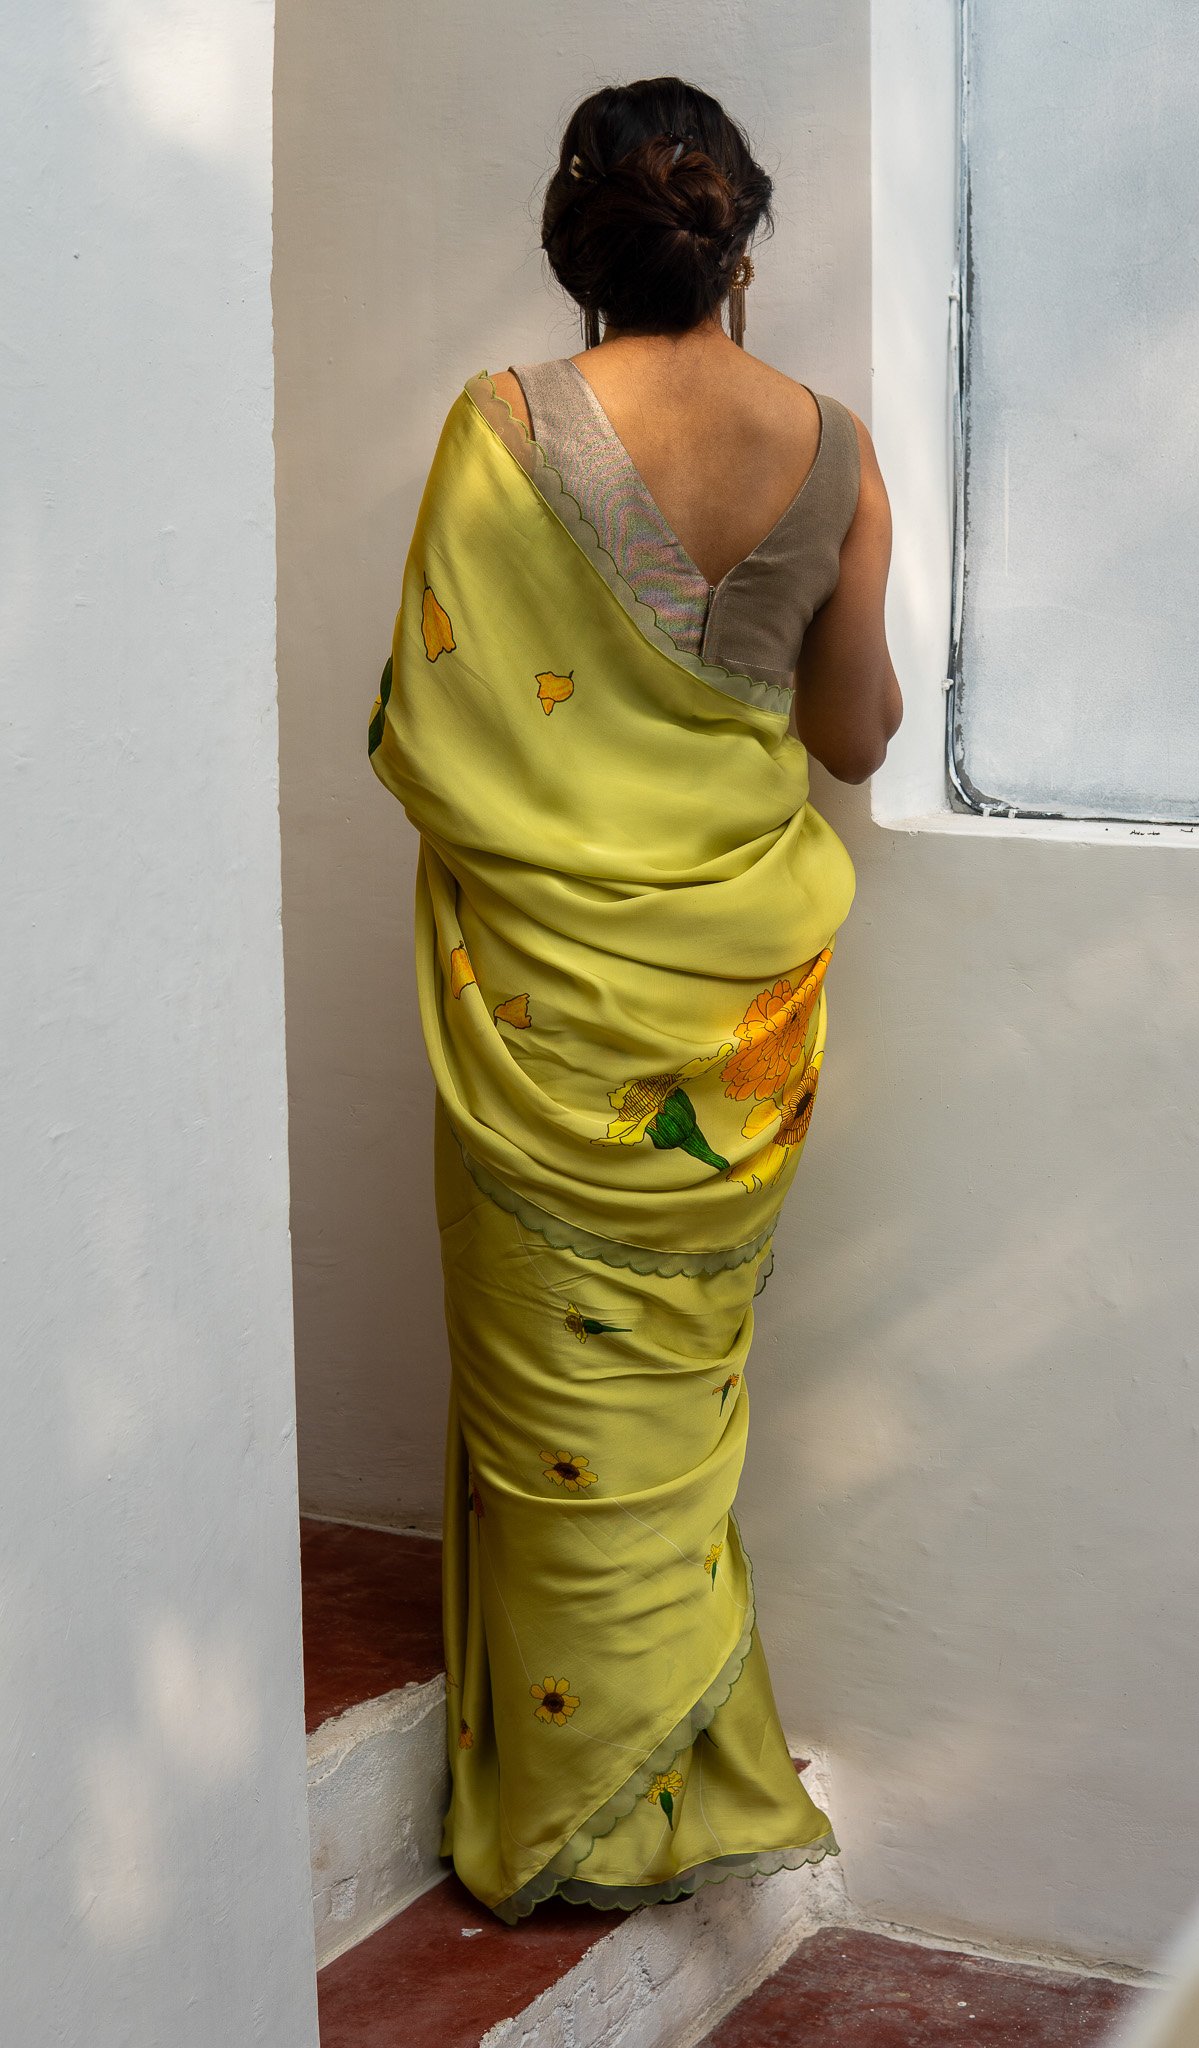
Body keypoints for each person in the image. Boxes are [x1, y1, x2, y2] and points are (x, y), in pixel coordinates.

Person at [369, 75, 901, 1924]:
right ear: (736, 244)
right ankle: (657, 1773)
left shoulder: (499, 430)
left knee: (560, 1394)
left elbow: (436, 734)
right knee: (675, 1391)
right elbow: (852, 736)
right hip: (732, 1027)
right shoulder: (833, 448)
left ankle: (584, 1805)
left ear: (574, 242)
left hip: (545, 1018)